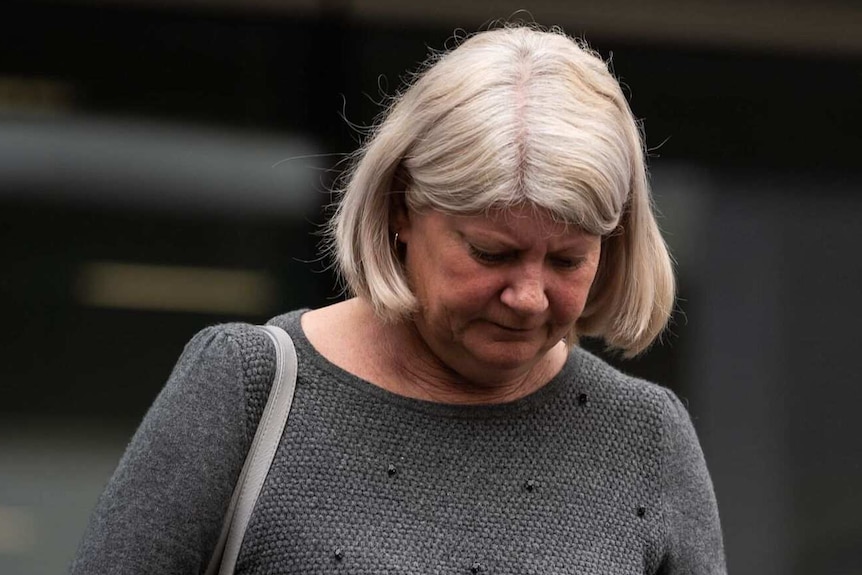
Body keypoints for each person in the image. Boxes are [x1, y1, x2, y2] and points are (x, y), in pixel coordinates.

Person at [71, 25, 726, 574]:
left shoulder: (647, 438)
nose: (528, 296)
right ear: (399, 210)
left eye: (566, 259)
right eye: (490, 252)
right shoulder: (246, 387)